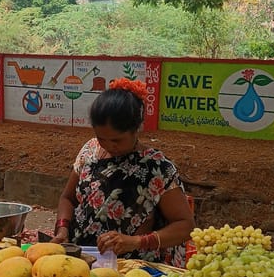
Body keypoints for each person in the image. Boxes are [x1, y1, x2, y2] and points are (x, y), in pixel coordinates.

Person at [53, 78, 195, 266]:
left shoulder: (157, 168)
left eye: (118, 140)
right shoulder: (89, 151)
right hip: (82, 258)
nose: (110, 146)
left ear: (136, 129)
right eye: (102, 138)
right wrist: (62, 229)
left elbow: (185, 226)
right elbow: (67, 199)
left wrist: (135, 242)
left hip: (130, 268)